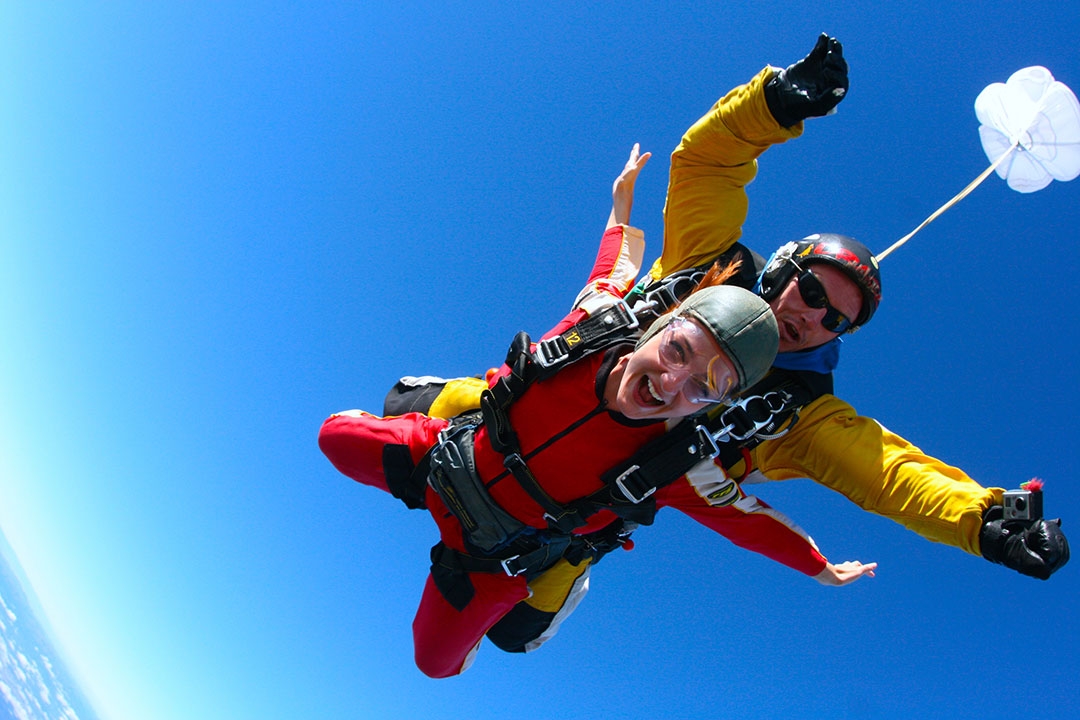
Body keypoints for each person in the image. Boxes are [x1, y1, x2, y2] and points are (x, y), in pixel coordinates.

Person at [387, 34, 1069, 656]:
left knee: (515, 632)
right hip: (508, 419)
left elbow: (889, 474)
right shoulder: (706, 263)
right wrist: (772, 103)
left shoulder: (798, 412)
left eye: (836, 321)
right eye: (811, 290)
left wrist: (982, 520)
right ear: (781, 269)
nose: (812, 317)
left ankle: (533, 593)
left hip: (568, 518)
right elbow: (706, 165)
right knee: (402, 411)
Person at [319, 155, 884, 676]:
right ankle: (433, 407)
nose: (671, 383)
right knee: (337, 436)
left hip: (499, 553)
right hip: (449, 458)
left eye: (706, 388)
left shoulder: (678, 462)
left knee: (451, 658)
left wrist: (822, 568)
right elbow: (613, 266)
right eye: (680, 351)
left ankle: (562, 578)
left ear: (714, 409)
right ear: (658, 326)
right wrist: (621, 206)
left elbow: (747, 522)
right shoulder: (598, 324)